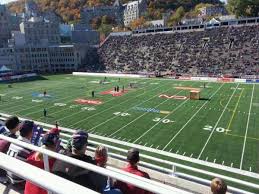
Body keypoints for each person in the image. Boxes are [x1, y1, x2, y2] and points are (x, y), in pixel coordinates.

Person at [6, 120, 34, 186]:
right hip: (18, 180)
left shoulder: (13, 142)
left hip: (9, 175)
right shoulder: (29, 148)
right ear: (30, 132)